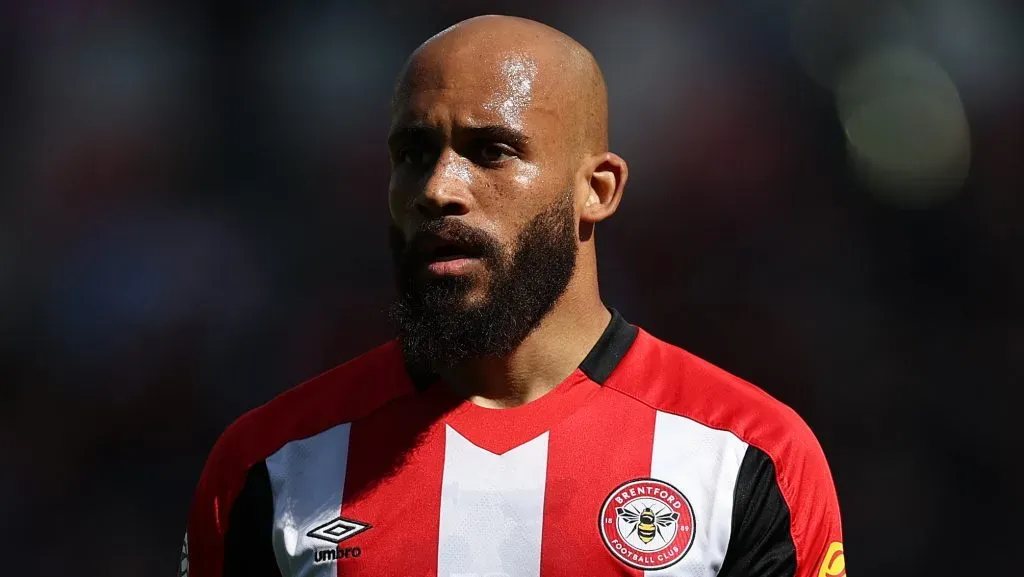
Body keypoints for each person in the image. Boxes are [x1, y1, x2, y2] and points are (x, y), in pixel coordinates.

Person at [182, 15, 846, 577]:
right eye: (413, 153)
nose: (439, 188)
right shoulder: (269, 464)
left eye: (491, 150)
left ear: (598, 190)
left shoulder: (747, 456)